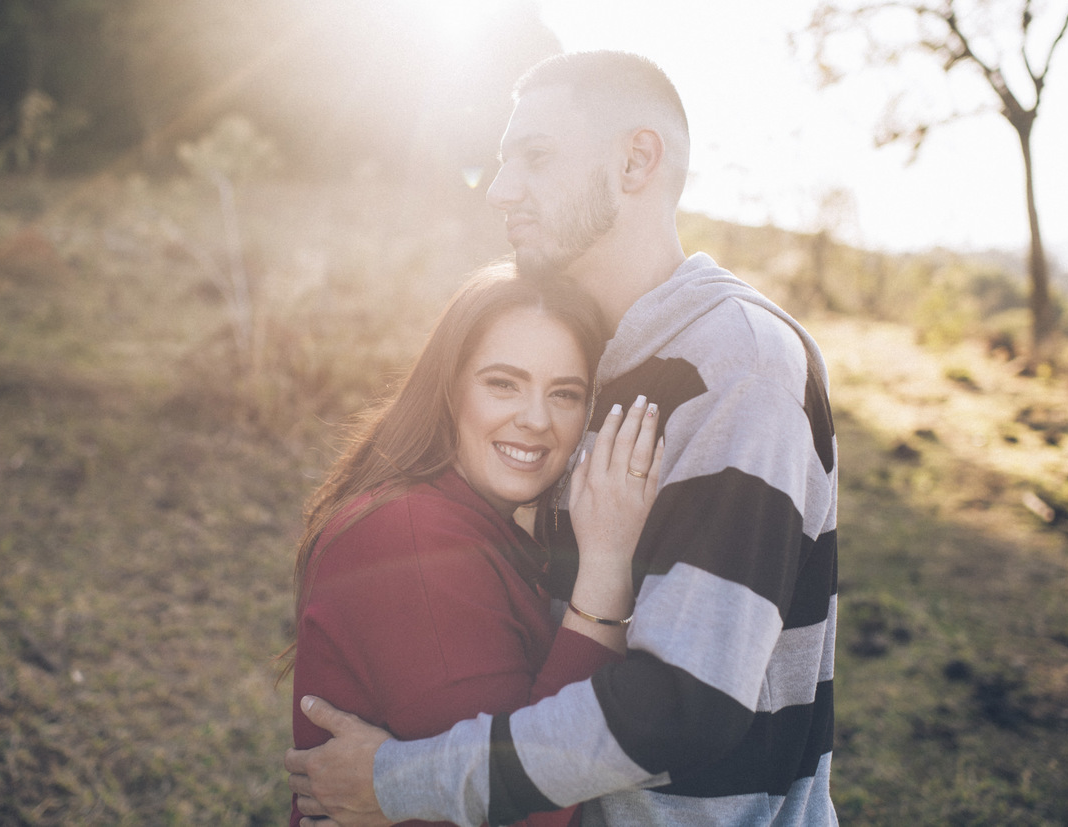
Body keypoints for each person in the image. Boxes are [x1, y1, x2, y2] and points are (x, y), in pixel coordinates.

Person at [287, 50, 839, 826]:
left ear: (636, 159)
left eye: (535, 157)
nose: (499, 188)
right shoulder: (588, 357)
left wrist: (399, 780)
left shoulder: (739, 362)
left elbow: (686, 703)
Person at [285, 262, 666, 827]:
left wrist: (396, 788)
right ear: (450, 388)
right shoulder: (413, 538)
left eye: (565, 394)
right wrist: (607, 568)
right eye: (503, 384)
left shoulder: (464, 521)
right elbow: (526, 814)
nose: (536, 419)